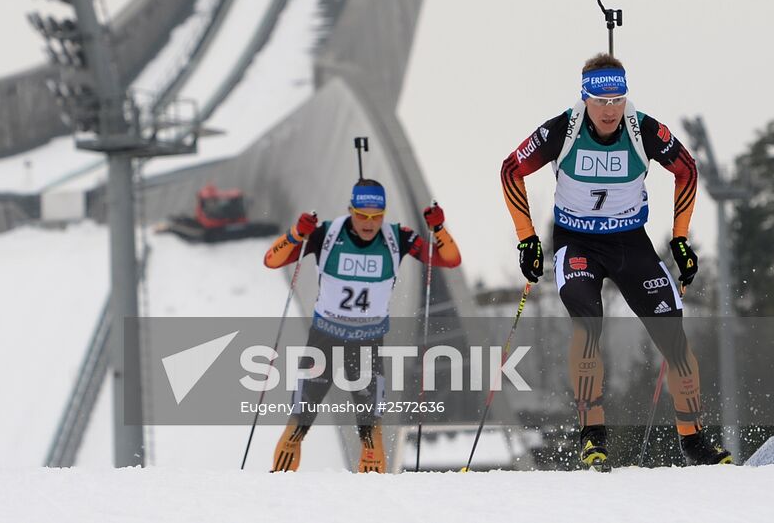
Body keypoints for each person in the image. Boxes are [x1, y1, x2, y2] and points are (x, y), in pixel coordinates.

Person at [500, 53, 733, 469]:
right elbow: (511, 169)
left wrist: (680, 239)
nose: (609, 110)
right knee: (587, 323)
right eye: (600, 100)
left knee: (673, 337)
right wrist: (527, 240)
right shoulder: (563, 130)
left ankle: (694, 439)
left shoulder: (642, 128)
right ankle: (593, 436)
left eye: (617, 99)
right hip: (577, 243)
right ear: (584, 97)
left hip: (630, 243)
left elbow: (687, 170)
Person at [262, 178, 460, 473]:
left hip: (366, 343)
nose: (369, 224)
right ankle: (278, 488)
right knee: (298, 424)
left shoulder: (397, 238)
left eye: (376, 217)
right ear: (351, 210)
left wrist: (439, 229)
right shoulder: (326, 234)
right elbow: (272, 260)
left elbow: (449, 259)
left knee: (370, 433)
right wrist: (296, 234)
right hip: (325, 339)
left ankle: (372, 500)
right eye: (362, 216)